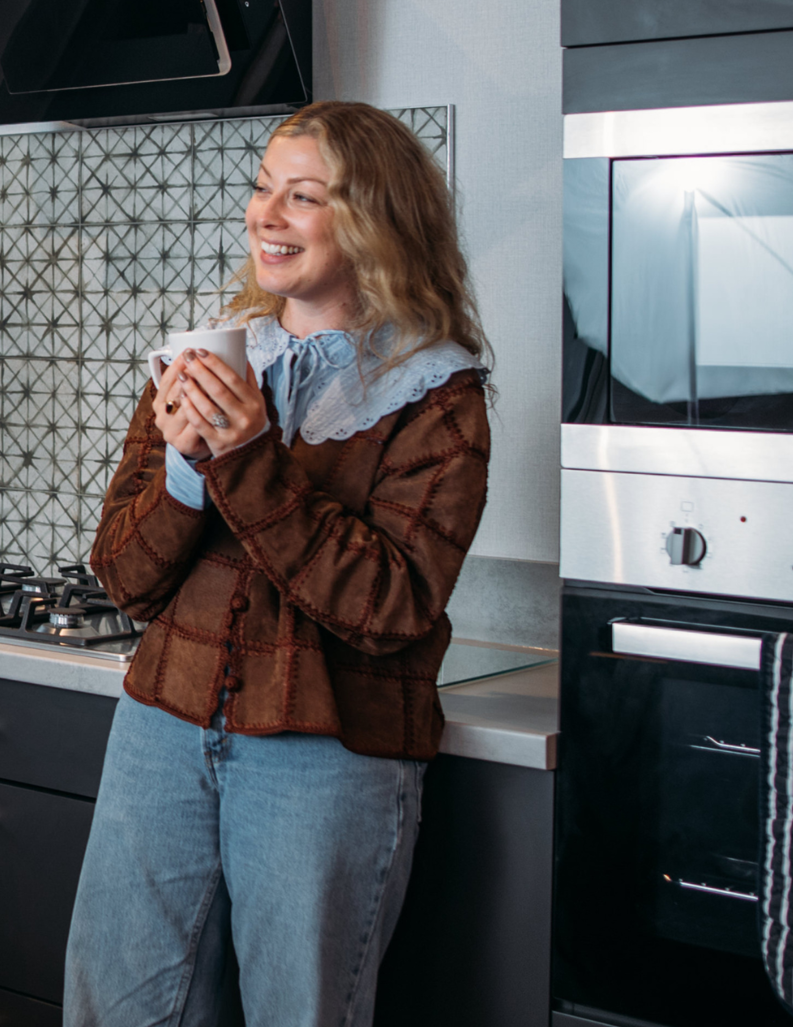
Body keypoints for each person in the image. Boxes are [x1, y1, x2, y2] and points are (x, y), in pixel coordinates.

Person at [64, 101, 492, 1026]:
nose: (265, 214)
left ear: (375, 220)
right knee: (117, 1008)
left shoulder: (436, 394)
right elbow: (124, 581)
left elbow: (391, 607)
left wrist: (244, 461)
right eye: (264, 189)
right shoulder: (207, 359)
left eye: (303, 197)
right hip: (162, 730)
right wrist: (184, 472)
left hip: (326, 751)